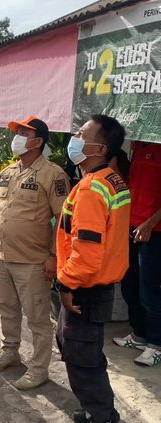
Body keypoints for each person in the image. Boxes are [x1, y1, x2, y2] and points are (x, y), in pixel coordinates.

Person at [0, 115, 70, 390]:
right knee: (5, 308)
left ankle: (39, 368)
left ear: (38, 141)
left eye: (23, 133)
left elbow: (63, 219)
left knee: (38, 318)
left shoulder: (53, 175)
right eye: (17, 132)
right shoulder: (7, 173)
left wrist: (53, 255)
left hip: (33, 260)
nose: (16, 137)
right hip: (4, 257)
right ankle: (10, 351)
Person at [56, 115, 130, 423]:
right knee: (85, 352)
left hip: (84, 288)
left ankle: (101, 416)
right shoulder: (113, 180)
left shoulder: (92, 189)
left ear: (98, 148)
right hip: (96, 286)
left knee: (81, 356)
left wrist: (65, 285)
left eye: (81, 133)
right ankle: (96, 410)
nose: (74, 137)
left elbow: (86, 254)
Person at [112, 141, 161, 367]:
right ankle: (139, 334)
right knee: (129, 283)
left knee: (148, 290)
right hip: (131, 225)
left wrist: (150, 223)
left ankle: (156, 345)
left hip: (154, 231)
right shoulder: (138, 146)